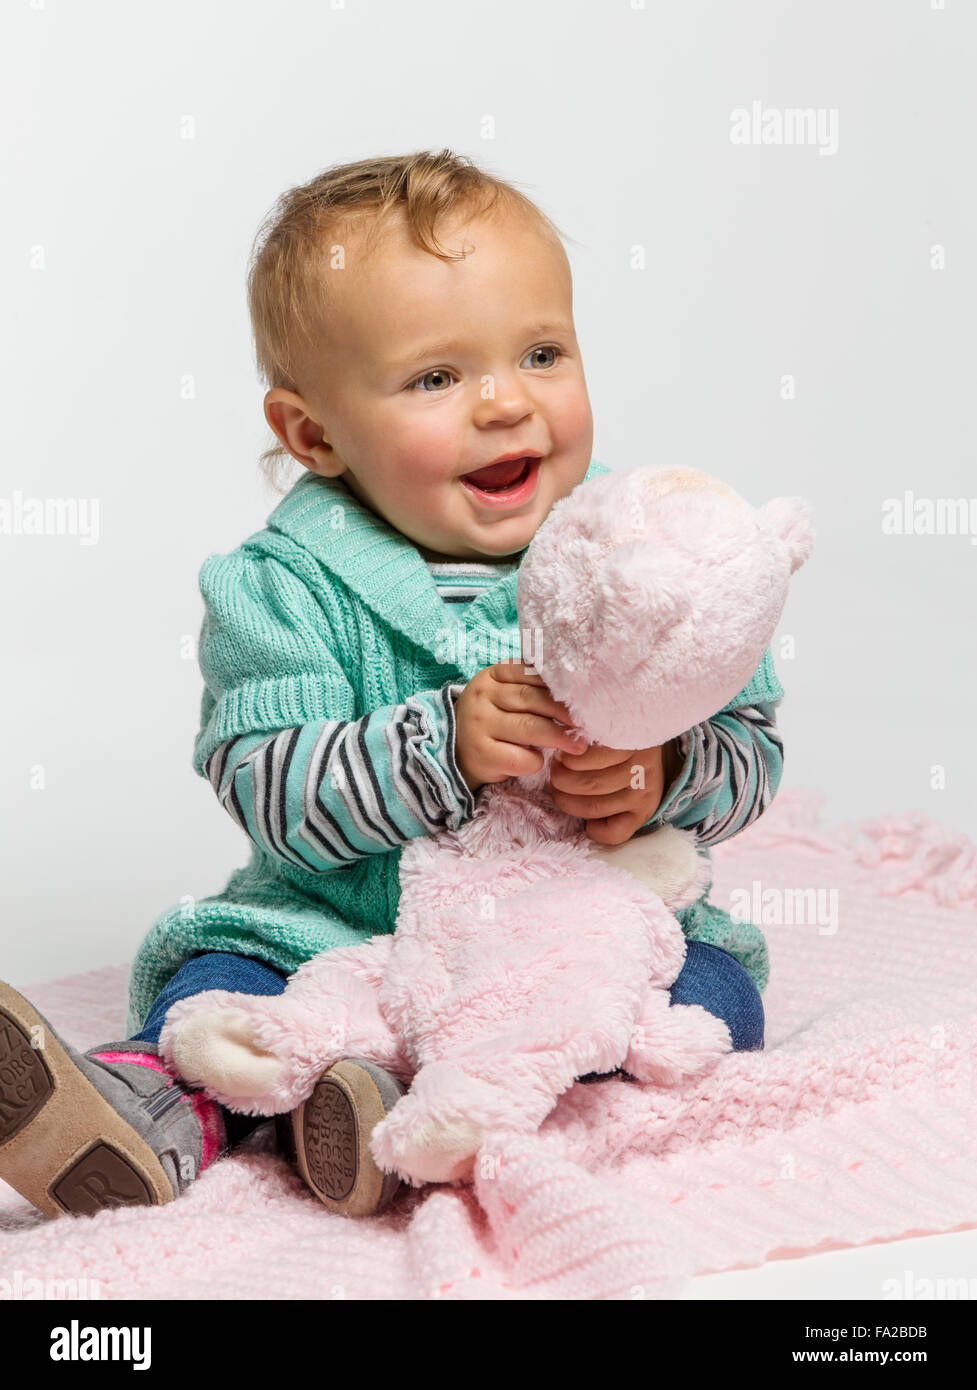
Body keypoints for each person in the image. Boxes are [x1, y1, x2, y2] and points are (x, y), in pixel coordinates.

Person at [0, 149, 782, 1223]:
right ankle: (159, 1107)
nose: (505, 403)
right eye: (434, 377)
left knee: (707, 989)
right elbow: (267, 786)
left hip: (570, 936)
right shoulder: (278, 586)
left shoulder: (640, 551)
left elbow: (750, 742)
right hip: (339, 928)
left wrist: (666, 769)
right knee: (220, 985)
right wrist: (438, 747)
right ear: (312, 432)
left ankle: (438, 1106)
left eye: (540, 352)